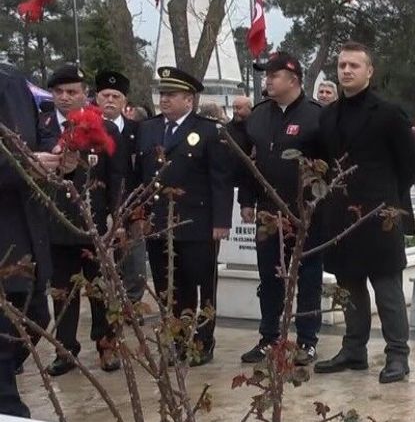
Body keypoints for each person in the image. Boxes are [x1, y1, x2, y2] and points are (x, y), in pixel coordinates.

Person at [313, 42, 415, 384]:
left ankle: (397, 355)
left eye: (354, 65)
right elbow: (324, 164)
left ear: (369, 71)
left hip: (379, 216)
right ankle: (354, 350)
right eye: (342, 65)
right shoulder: (327, 115)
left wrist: (385, 197)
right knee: (349, 286)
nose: (346, 70)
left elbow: (410, 165)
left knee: (387, 290)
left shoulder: (388, 114)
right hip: (340, 218)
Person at [136, 67, 234, 366]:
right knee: (168, 287)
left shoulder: (208, 131)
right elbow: (140, 177)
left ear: (189, 100)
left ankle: (202, 342)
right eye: (162, 94)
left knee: (201, 284)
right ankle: (178, 341)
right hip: (158, 223)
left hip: (197, 223)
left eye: (171, 95)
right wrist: (138, 215)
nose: (164, 100)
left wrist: (221, 221)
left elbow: (220, 179)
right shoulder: (149, 129)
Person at [237, 52, 324, 366]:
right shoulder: (259, 115)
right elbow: (249, 162)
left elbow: (327, 166)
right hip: (267, 212)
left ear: (293, 79)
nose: (268, 80)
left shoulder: (316, 115)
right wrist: (246, 200)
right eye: (266, 75)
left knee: (308, 276)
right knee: (269, 276)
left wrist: (320, 204)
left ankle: (307, 341)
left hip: (305, 213)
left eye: (274, 75)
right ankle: (269, 338)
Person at [39, 65, 122, 376]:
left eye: (72, 92)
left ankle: (106, 344)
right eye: (58, 92)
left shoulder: (105, 128)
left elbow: (116, 179)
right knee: (62, 292)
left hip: (93, 224)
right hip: (55, 222)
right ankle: (65, 349)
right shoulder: (41, 125)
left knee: (100, 289)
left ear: (85, 94)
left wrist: (117, 217)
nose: (64, 97)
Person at [0, 63, 57, 417]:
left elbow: (41, 133)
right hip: (5, 235)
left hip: (27, 232)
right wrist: (24, 164)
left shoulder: (15, 82)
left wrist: (56, 156)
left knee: (35, 315)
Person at [95, 70, 146, 305]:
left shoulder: (138, 130)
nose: (110, 100)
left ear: (124, 101)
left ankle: (131, 306)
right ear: (97, 98)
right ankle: (107, 304)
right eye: (105, 95)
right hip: (97, 207)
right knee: (102, 263)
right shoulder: (88, 128)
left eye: (116, 96)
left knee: (134, 262)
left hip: (131, 206)